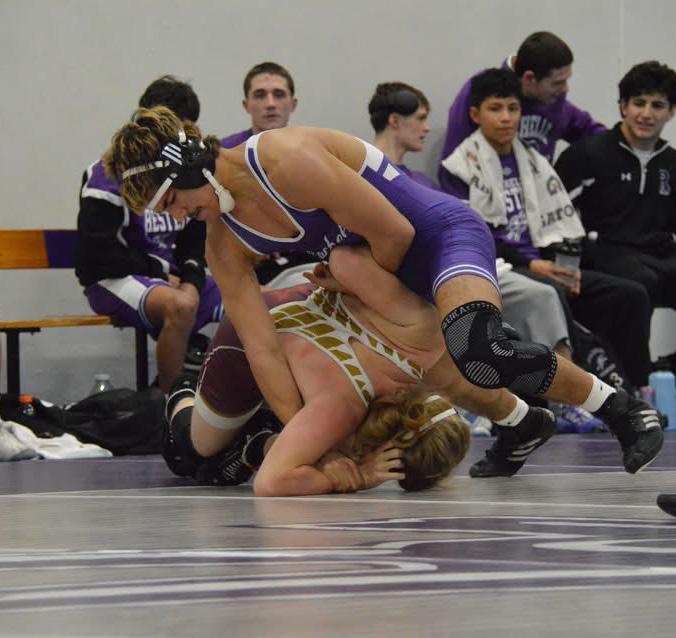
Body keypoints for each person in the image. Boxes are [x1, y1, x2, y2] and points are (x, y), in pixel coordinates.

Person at [103, 106, 664, 478]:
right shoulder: (223, 246)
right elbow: (264, 350)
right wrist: (313, 442)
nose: (179, 217)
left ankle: (621, 409)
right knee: (435, 365)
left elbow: (394, 231)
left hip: (436, 236)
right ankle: (522, 423)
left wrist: (368, 291)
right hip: (373, 260)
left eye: (172, 203)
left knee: (476, 347)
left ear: (187, 169)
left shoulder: (282, 160)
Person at [370, 80, 602, 432]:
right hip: (410, 273)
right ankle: (477, 404)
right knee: (457, 311)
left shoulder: (418, 179)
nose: (428, 128)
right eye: (420, 118)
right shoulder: (372, 175)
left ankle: (564, 402)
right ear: (394, 120)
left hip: (455, 265)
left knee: (541, 295)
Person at [164, 256, 470, 495]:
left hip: (299, 293)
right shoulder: (341, 409)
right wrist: (357, 477)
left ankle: (267, 439)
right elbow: (270, 482)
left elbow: (355, 262)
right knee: (197, 453)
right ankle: (185, 392)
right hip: (245, 338)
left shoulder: (428, 336)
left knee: (326, 450)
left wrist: (344, 281)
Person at [440, 68, 653, 393]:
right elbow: (473, 237)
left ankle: (639, 390)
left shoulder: (533, 161)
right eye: (495, 109)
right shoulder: (459, 168)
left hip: (543, 262)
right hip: (503, 268)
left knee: (630, 295)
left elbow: (555, 223)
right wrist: (534, 265)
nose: (506, 118)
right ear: (475, 114)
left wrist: (565, 264)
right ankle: (576, 392)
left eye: (513, 108)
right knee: (551, 291)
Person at [75, 76, 224, 392]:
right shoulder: (108, 175)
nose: (183, 142)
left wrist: (192, 280)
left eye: (187, 132)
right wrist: (159, 271)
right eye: (176, 132)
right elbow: (96, 255)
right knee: (180, 307)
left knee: (254, 302)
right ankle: (170, 402)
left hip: (172, 277)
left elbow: (193, 240)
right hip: (115, 278)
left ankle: (230, 398)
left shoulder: (187, 172)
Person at [555, 61, 676, 311]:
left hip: (659, 253)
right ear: (623, 106)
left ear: (671, 112)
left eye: (657, 105)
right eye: (639, 103)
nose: (646, 114)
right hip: (604, 252)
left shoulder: (671, 162)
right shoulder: (587, 154)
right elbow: (553, 217)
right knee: (640, 283)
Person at [438, 31, 605, 194]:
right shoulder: (481, 90)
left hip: (538, 200)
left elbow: (587, 130)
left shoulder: (553, 99)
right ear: (529, 78)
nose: (565, 89)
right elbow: (454, 164)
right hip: (488, 200)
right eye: (558, 83)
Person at [220, 61, 311, 285]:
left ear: (293, 103)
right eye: (260, 95)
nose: (270, 104)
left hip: (307, 259)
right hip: (248, 266)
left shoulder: (313, 152)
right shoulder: (224, 155)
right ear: (246, 105)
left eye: (279, 95)